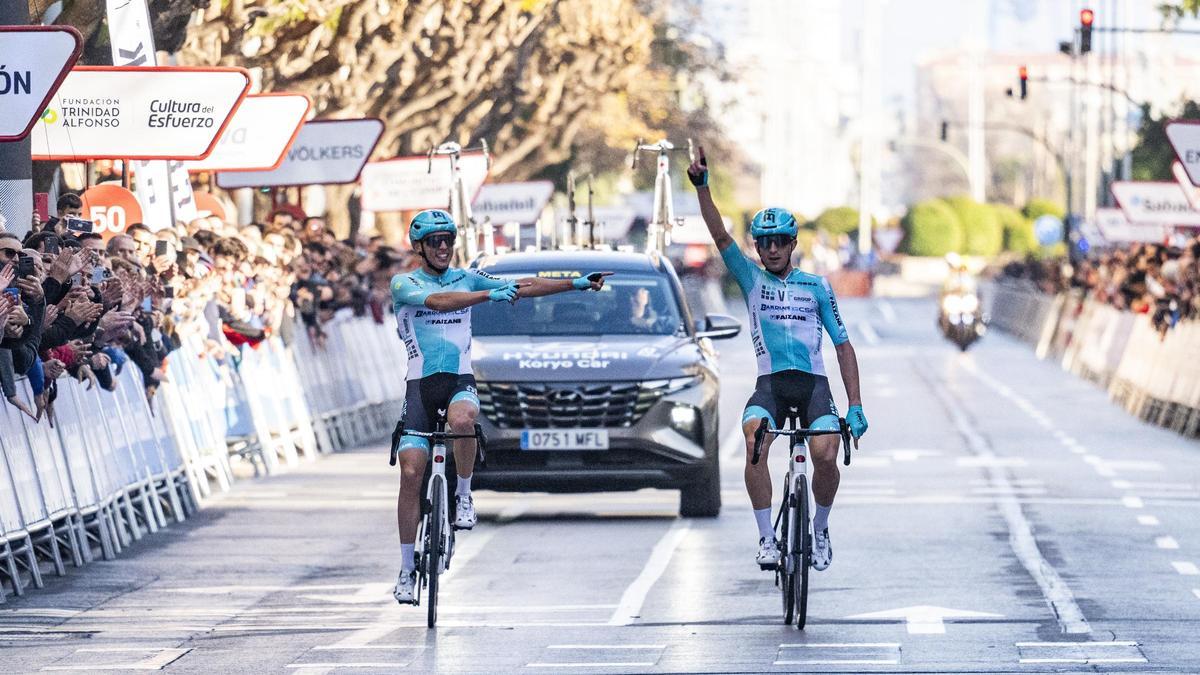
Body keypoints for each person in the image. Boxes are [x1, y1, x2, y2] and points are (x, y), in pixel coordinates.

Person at [389, 208, 611, 604]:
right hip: (420, 386)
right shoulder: (405, 282)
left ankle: (463, 495)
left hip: (458, 380)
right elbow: (439, 302)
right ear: (419, 247)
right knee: (410, 472)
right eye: (435, 241)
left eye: (448, 240)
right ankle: (407, 569)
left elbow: (524, 285)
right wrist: (487, 295)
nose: (443, 247)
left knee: (464, 418)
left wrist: (576, 283)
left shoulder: (466, 276)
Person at [687, 147, 868, 571]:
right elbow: (720, 237)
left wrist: (855, 404)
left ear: (792, 244)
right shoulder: (751, 278)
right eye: (764, 243)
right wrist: (703, 188)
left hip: (813, 385)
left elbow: (843, 346)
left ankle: (819, 528)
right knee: (754, 439)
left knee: (826, 453)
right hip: (771, 384)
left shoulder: (817, 286)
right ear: (757, 246)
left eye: (779, 242)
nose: (771, 249)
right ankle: (767, 538)